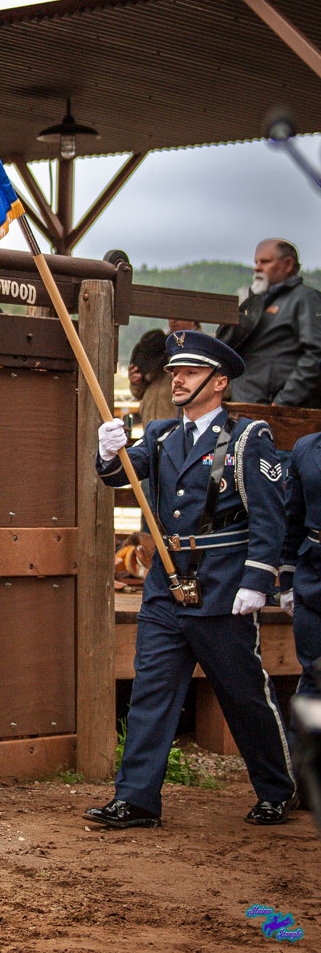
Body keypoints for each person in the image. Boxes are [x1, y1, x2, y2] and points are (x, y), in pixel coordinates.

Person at [85, 330, 297, 829]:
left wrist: (258, 580)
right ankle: (136, 799)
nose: (177, 380)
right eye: (175, 371)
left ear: (219, 382)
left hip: (223, 585)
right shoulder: (162, 434)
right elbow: (120, 477)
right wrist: (109, 452)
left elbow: (270, 515)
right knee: (151, 692)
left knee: (243, 695)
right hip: (166, 584)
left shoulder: (247, 438)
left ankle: (278, 789)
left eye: (190, 372)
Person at [217, 239, 321, 407]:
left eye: (265, 262)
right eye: (256, 262)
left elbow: (315, 355)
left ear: (288, 265)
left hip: (278, 410)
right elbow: (225, 343)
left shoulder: (305, 298)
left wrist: (284, 401)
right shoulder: (255, 303)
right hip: (248, 407)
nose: (257, 268)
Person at [281, 431, 321, 705]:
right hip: (312, 577)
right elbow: (293, 517)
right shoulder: (306, 447)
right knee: (314, 678)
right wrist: (287, 577)